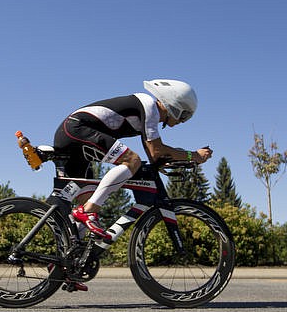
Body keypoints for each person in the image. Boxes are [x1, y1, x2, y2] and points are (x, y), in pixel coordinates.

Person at [53, 79, 213, 239]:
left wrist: (173, 160)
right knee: (132, 160)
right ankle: (87, 210)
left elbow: (155, 156)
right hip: (76, 129)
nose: (182, 121)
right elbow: (156, 150)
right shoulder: (149, 106)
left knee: (84, 203)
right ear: (174, 105)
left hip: (73, 133)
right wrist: (194, 155)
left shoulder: (147, 116)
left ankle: (67, 258)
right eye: (185, 115)